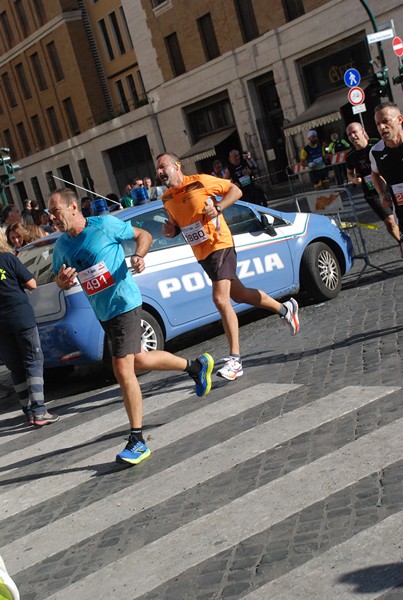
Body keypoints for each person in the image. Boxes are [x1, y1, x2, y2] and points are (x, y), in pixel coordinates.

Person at [48, 187, 213, 466]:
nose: (52, 219)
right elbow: (58, 277)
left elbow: (143, 235)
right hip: (104, 311)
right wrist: (62, 282)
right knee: (140, 359)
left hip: (125, 301)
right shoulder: (62, 246)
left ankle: (137, 440)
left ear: (73, 207)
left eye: (56, 211)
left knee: (122, 368)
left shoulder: (104, 225)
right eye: (50, 214)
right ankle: (196, 367)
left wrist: (140, 255)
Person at [157, 152, 300, 381]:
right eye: (158, 169)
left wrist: (219, 207)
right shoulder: (166, 198)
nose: (160, 172)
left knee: (221, 299)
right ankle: (285, 310)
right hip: (202, 253)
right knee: (240, 294)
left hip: (220, 244)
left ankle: (236, 360)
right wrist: (171, 231)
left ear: (177, 165)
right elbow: (178, 224)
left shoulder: (200, 181)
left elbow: (236, 190)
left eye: (163, 167)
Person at [0, 234, 59, 426]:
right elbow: (32, 284)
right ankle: (40, 411)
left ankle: (28, 411)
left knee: (16, 367)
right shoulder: (8, 259)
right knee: (33, 361)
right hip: (20, 317)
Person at [346, 122, 400, 243]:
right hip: (372, 193)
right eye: (349, 134)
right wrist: (354, 179)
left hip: (390, 186)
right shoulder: (350, 156)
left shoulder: (376, 145)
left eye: (354, 132)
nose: (352, 136)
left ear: (363, 131)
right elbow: (349, 173)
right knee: (390, 222)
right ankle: (400, 243)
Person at [369, 102, 403, 246]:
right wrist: (382, 194)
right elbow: (374, 174)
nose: (381, 127)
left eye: (385, 121)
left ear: (400, 119)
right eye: (378, 124)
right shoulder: (376, 152)